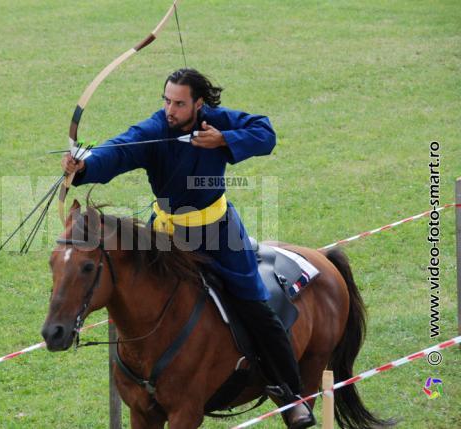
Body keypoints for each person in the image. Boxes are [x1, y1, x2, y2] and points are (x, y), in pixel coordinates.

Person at [61, 68, 315, 429]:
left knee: (253, 302)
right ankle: (141, 380)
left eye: (179, 103)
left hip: (218, 233)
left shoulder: (216, 122)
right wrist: (84, 166)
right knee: (134, 291)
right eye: (166, 101)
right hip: (165, 233)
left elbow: (265, 132)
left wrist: (223, 139)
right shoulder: (155, 129)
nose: (170, 110)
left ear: (199, 103)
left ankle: (290, 395)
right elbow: (121, 148)